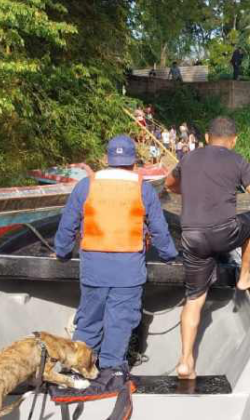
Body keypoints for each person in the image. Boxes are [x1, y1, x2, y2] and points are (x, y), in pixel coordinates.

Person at [165, 116, 250, 380]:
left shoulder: (188, 158)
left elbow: (169, 184)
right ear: (234, 140)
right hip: (224, 234)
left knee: (194, 300)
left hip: (192, 237)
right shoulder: (238, 161)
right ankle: (244, 277)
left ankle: (185, 362)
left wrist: (189, 189)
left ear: (206, 138)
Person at [55, 135, 178, 384]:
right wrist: (169, 256)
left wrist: (62, 252)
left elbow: (67, 226)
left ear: (106, 160)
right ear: (134, 162)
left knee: (89, 320)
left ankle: (79, 370)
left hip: (94, 269)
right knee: (120, 322)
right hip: (128, 271)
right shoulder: (142, 188)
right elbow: (159, 229)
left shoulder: (86, 185)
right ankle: (111, 373)